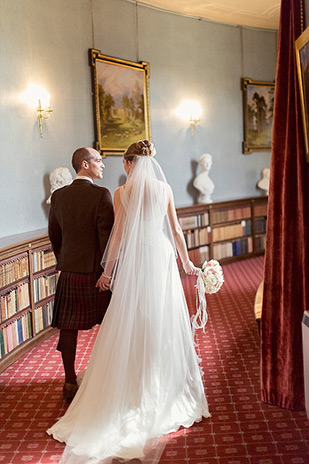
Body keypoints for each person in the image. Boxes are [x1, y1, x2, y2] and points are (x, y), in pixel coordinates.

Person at [47, 140, 210, 464]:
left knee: (130, 318)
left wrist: (108, 271)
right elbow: (176, 231)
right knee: (161, 316)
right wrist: (187, 263)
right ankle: (161, 380)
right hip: (161, 254)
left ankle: (126, 380)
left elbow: (118, 235)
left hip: (134, 259)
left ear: (129, 163)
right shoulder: (163, 188)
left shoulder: (120, 193)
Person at [48, 147, 114, 402]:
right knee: (110, 324)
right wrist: (107, 272)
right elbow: (106, 238)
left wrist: (64, 259)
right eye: (98, 160)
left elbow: (55, 235)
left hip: (70, 272)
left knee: (68, 328)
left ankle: (68, 381)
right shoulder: (101, 195)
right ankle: (109, 376)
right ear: (85, 165)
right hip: (97, 275)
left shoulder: (59, 196)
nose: (102, 165)